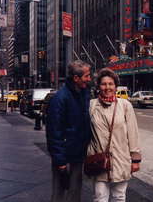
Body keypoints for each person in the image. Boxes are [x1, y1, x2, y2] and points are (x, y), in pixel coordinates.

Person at [87, 68, 141, 202]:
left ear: (116, 86)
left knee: (119, 198)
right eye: (103, 84)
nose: (107, 87)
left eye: (110, 84)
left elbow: (133, 133)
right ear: (98, 86)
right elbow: (84, 132)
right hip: (98, 161)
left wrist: (135, 159)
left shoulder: (125, 105)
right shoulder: (91, 106)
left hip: (120, 160)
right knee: (99, 198)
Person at [46, 60, 92, 202]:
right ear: (76, 78)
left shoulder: (84, 93)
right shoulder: (60, 98)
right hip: (64, 156)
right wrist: (59, 160)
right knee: (59, 193)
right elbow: (54, 132)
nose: (89, 79)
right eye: (87, 76)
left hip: (78, 154)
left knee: (75, 192)